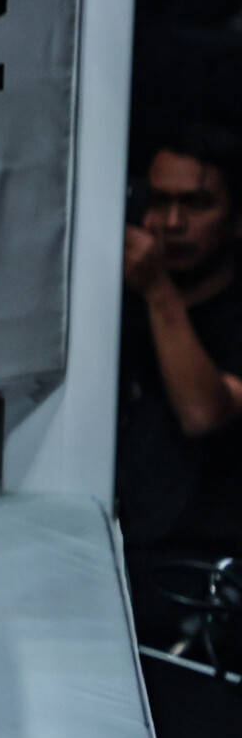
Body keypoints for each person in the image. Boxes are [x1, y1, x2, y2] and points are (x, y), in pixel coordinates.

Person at [120, 130, 242, 655]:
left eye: (195, 204)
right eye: (159, 201)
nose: (170, 223)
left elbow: (204, 410)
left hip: (206, 582)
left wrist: (157, 290)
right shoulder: (109, 300)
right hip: (118, 562)